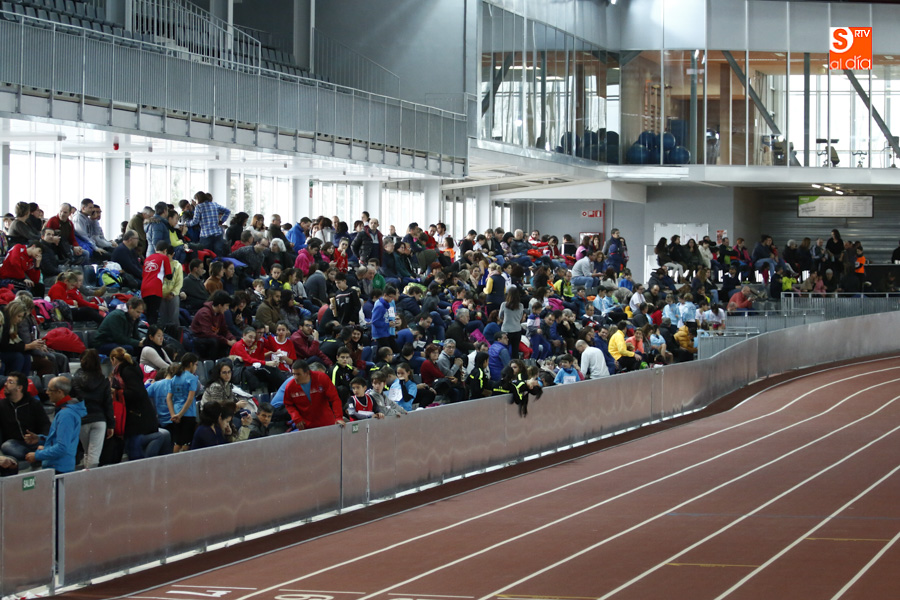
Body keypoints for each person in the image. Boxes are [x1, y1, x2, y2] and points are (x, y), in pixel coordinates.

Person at [109, 347, 172, 460]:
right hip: (142, 416)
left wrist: (117, 392)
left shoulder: (126, 372)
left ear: (113, 359)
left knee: (136, 453)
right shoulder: (132, 369)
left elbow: (135, 392)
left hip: (137, 418)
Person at [24, 377, 86, 473]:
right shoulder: (64, 411)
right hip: (58, 466)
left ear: (60, 392)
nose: (47, 392)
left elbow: (62, 447)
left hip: (59, 468)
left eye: (50, 389)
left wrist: (37, 455)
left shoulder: (66, 415)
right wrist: (40, 439)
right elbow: (60, 440)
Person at [73, 349, 114, 470]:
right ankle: (89, 478)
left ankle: (86, 477)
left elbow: (72, 399)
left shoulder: (75, 379)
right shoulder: (103, 380)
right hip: (99, 419)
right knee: (94, 454)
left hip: (82, 419)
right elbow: (108, 404)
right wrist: (111, 424)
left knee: (87, 452)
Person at [0, 372, 51, 464]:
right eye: (6, 382)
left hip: (35, 440)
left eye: (10, 382)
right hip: (16, 443)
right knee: (6, 446)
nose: (5, 384)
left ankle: (37, 455)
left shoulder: (34, 403)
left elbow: (45, 424)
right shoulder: (2, 405)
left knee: (50, 442)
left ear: (19, 388)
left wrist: (39, 438)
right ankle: (35, 456)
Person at [282, 359, 346, 430]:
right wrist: (296, 417)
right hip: (305, 425)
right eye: (293, 374)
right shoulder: (290, 387)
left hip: (326, 422)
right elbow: (288, 404)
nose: (295, 377)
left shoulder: (321, 378)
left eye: (298, 374)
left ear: (307, 373)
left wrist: (338, 417)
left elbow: (335, 399)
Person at [166, 353, 201, 452]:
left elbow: (168, 398)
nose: (196, 367)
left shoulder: (174, 378)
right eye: (196, 364)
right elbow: (190, 399)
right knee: (186, 444)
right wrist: (180, 415)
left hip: (176, 413)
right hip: (188, 413)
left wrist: (173, 414)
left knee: (177, 443)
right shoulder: (192, 378)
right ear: (191, 364)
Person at [190, 291, 236, 359]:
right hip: (199, 338)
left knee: (234, 340)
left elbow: (225, 330)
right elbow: (208, 333)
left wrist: (232, 339)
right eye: (227, 305)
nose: (227, 308)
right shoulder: (204, 313)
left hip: (213, 337)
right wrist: (227, 341)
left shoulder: (220, 314)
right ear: (220, 305)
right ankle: (211, 362)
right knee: (214, 341)